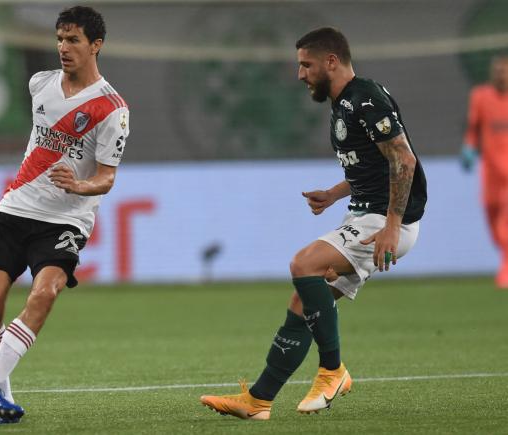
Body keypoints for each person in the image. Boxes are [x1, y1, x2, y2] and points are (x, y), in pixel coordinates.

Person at [200, 27, 427, 420]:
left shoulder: (366, 97)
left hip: (386, 221)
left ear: (331, 62)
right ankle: (259, 401)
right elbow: (371, 166)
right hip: (365, 212)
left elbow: (403, 160)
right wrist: (335, 193)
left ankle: (333, 370)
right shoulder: (343, 103)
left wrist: (392, 225)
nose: (300, 74)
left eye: (306, 65)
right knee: (303, 302)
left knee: (303, 264)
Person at [0, 5, 130, 425]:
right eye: (59, 39)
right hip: (17, 207)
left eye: (73, 40)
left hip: (66, 220)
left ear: (96, 45)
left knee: (45, 293)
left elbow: (107, 179)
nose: (63, 47)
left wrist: (80, 185)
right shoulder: (40, 84)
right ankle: (1, 393)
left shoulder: (113, 109)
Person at [461, 55, 508, 288]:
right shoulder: (480, 96)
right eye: (497, 70)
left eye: (504, 71)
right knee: (492, 220)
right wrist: (469, 148)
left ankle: (506, 269)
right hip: (490, 172)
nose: (500, 74)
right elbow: (473, 129)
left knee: (505, 223)